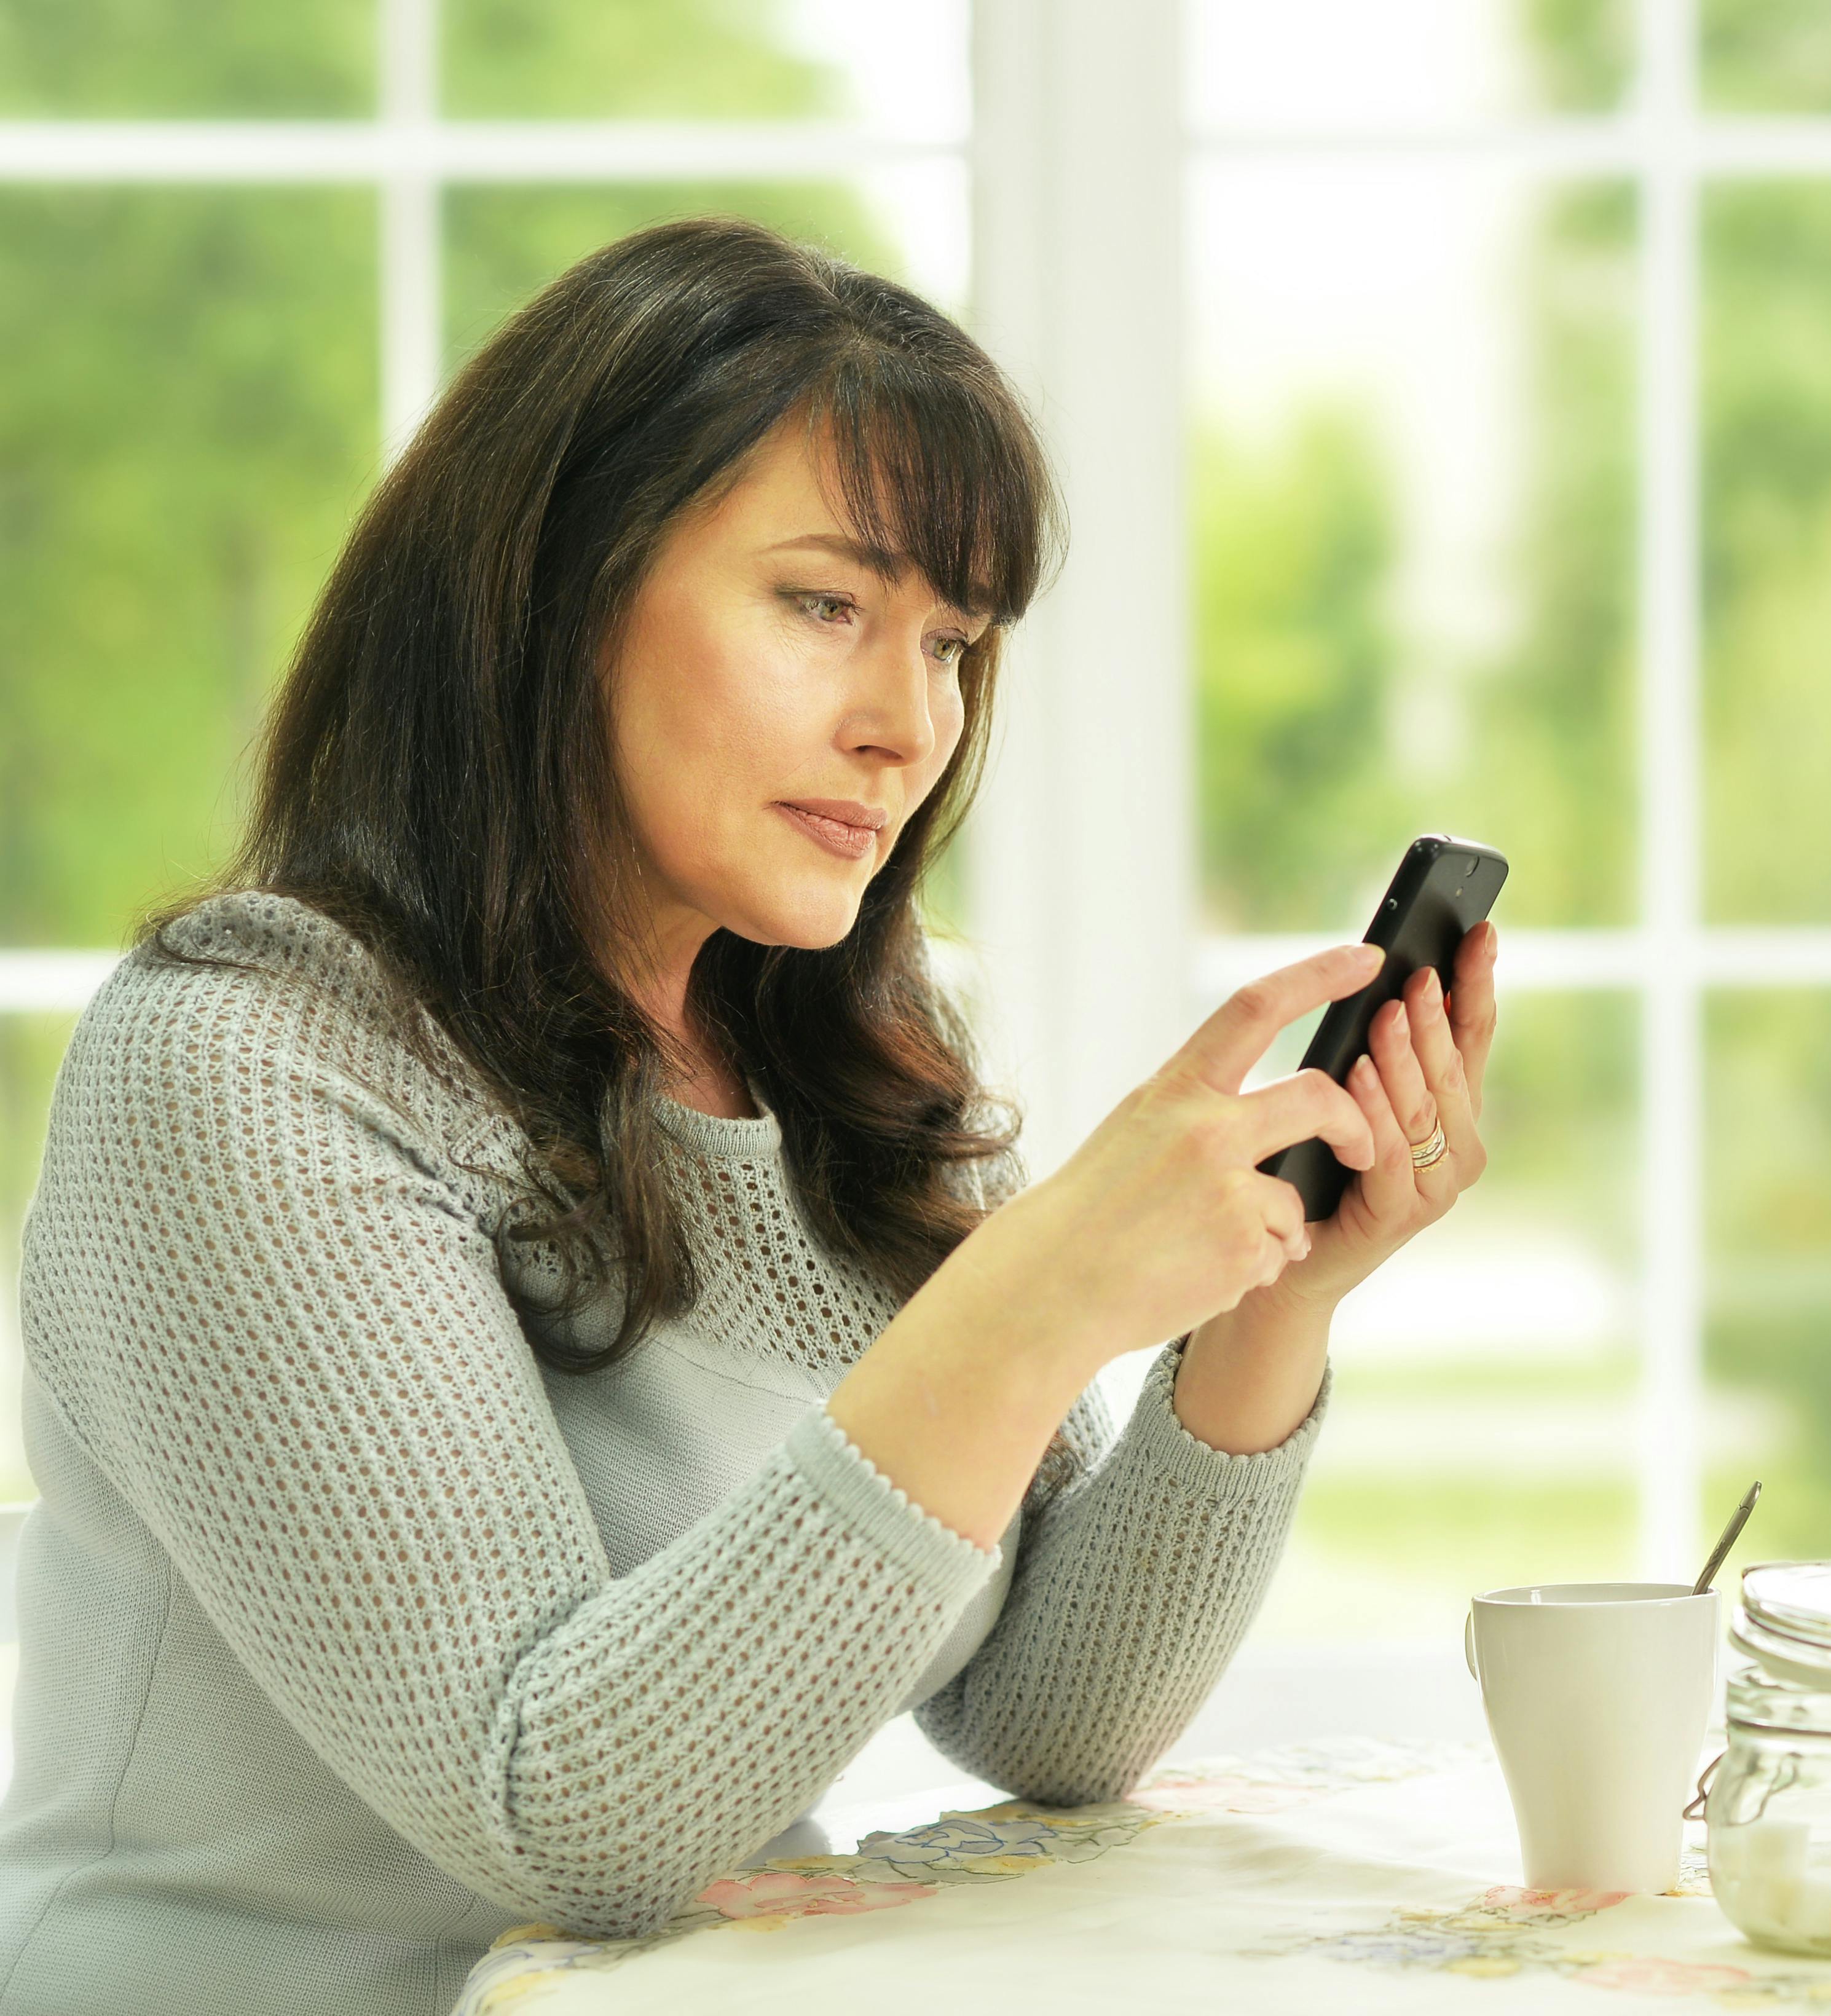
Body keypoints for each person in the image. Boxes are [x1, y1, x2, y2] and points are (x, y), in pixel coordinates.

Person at [0, 216, 1497, 2014]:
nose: (906, 725)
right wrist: (1034, 1298)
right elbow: (563, 1819)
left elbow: (1046, 1720)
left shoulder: (857, 1059)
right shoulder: (243, 1067)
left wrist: (1273, 1302)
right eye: (823, 606)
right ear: (554, 589)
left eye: (953, 642)